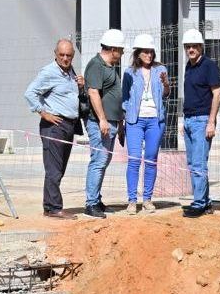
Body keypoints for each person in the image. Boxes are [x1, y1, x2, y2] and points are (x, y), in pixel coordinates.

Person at [24, 39, 84, 220]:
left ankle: (50, 206)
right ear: (55, 54)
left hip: (69, 125)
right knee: (54, 169)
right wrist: (43, 113)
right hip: (54, 126)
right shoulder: (49, 72)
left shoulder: (70, 73)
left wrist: (81, 86)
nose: (65, 58)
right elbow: (30, 93)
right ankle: (53, 208)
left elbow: (71, 97)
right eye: (62, 55)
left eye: (69, 55)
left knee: (60, 168)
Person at [122, 34, 171, 214]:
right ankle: (132, 200)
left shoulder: (161, 70)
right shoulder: (129, 72)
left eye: (151, 52)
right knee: (134, 159)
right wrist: (127, 115)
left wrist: (166, 84)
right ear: (138, 53)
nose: (149, 55)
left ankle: (148, 199)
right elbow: (124, 97)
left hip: (155, 121)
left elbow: (166, 93)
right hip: (135, 120)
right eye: (145, 52)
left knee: (151, 159)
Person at [83, 29, 126, 219]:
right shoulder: (96, 66)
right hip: (100, 123)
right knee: (98, 161)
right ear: (113, 48)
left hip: (111, 122)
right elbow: (93, 93)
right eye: (121, 50)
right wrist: (102, 119)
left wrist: (120, 123)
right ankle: (91, 203)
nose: (122, 53)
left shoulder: (109, 67)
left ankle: (96, 199)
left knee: (104, 161)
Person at [180, 28, 220, 218]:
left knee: (199, 163)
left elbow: (217, 93)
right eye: (188, 46)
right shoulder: (188, 67)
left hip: (202, 120)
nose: (191, 49)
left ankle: (199, 203)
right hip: (189, 120)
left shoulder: (209, 66)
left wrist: (211, 121)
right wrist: (184, 120)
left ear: (200, 47)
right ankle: (203, 201)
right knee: (192, 163)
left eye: (194, 46)